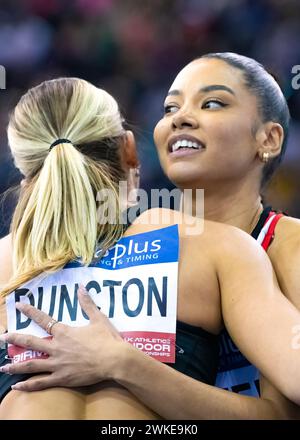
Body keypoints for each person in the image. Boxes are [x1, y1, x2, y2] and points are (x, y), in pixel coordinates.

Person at [1, 66, 300, 420]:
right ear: (130, 149)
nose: (182, 119)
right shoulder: (217, 247)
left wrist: (122, 362)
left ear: (24, 171)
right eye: (170, 108)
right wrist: (128, 366)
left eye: (213, 103)